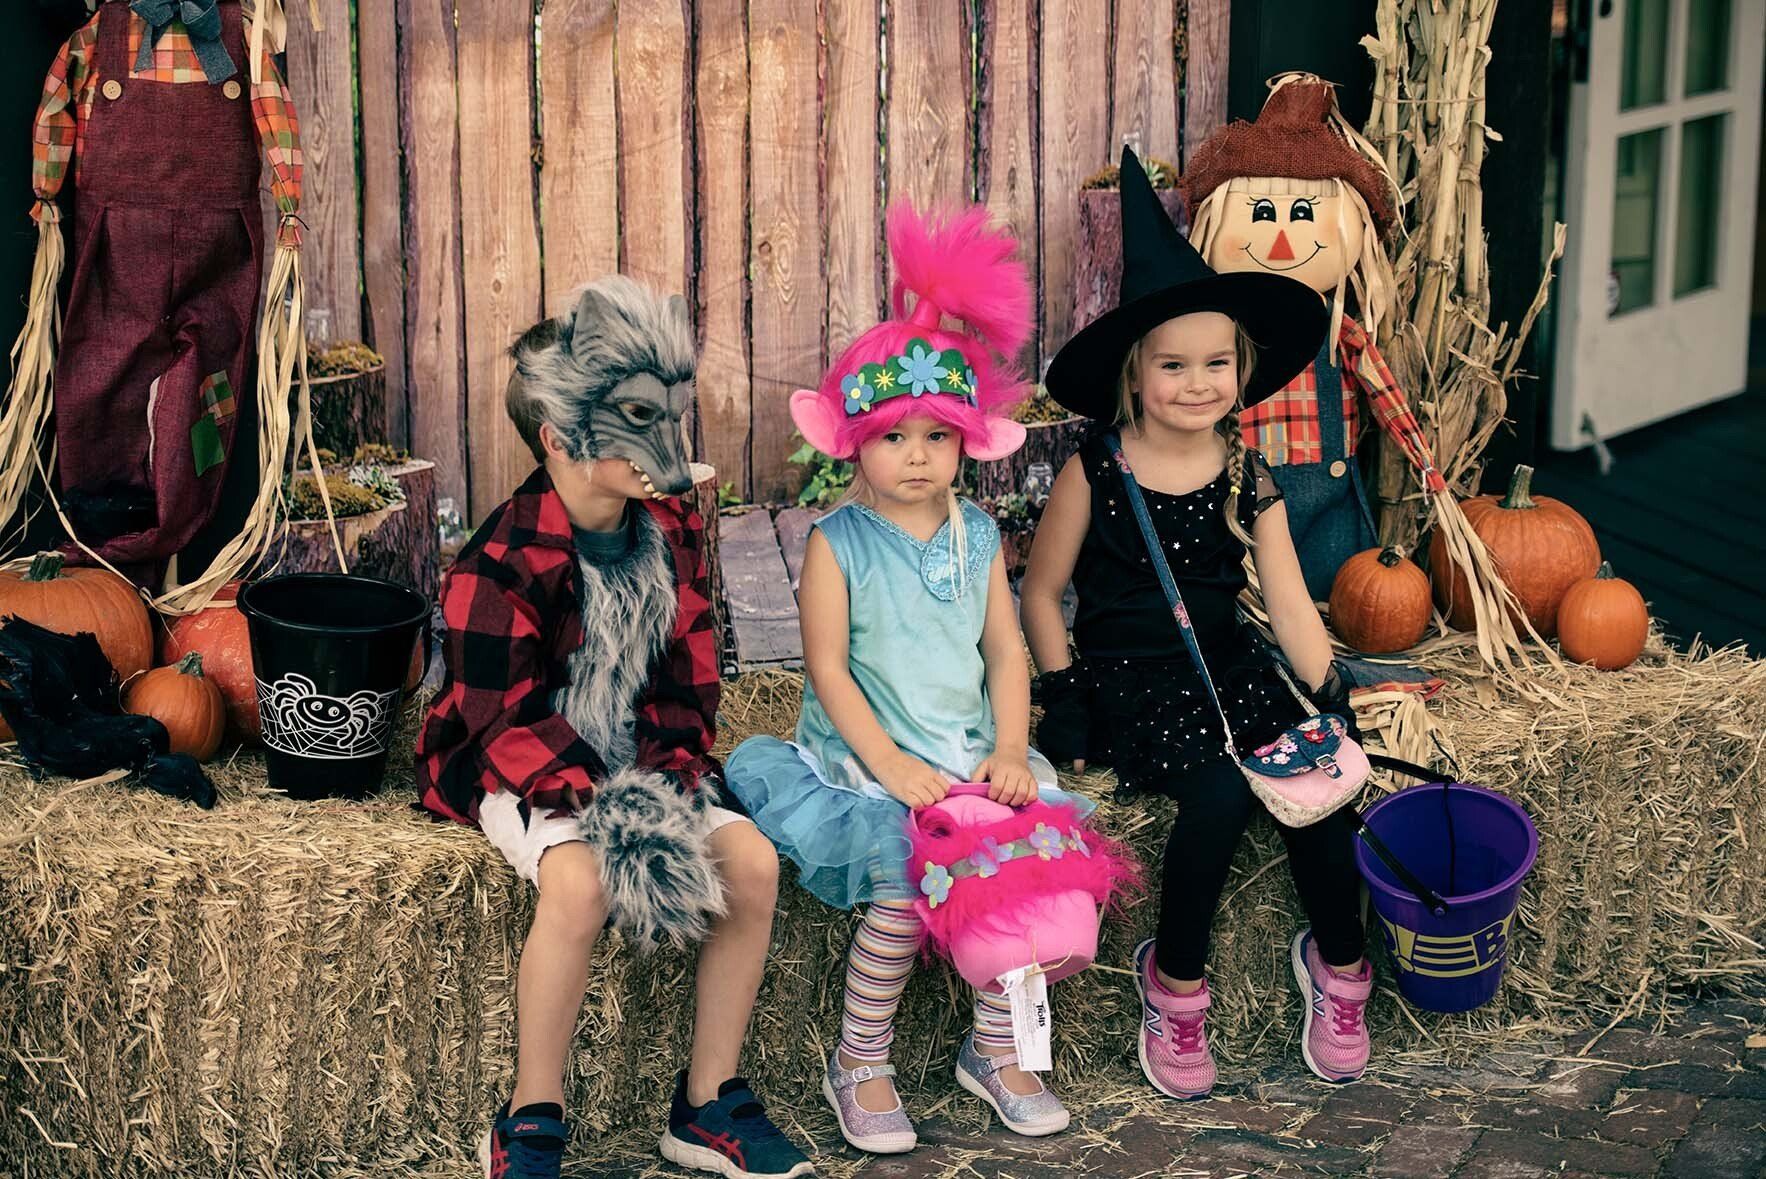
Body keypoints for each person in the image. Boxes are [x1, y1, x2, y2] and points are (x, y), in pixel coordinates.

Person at [415, 277, 812, 1179]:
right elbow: (501, 721)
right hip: (526, 761)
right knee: (583, 881)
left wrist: (669, 781)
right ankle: (531, 1116)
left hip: (640, 751)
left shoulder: (669, 533)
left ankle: (708, 1099)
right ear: (562, 436)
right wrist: (610, 811)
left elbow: (688, 682)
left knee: (750, 863)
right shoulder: (500, 561)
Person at [725, 205, 1097, 1153]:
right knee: (902, 876)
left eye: (938, 435)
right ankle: (859, 1054)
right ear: (854, 441)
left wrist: (1012, 750)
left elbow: (1006, 652)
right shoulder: (835, 546)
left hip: (970, 755)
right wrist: (889, 766)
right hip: (866, 761)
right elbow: (828, 671)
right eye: (896, 436)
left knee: (1016, 872)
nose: (919, 455)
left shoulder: (978, 535)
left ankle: (999, 1046)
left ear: (968, 440)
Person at [1022, 148, 1373, 1100]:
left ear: (1243, 367)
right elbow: (1041, 592)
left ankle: (1340, 968)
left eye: (1216, 362)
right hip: (1136, 678)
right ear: (1135, 377)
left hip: (1229, 665)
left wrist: (1331, 689)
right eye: (1173, 365)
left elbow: (1290, 596)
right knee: (1219, 797)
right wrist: (1062, 693)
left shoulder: (1245, 472)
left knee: (1321, 789)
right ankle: (1175, 985)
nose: (1197, 382)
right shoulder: (1095, 472)